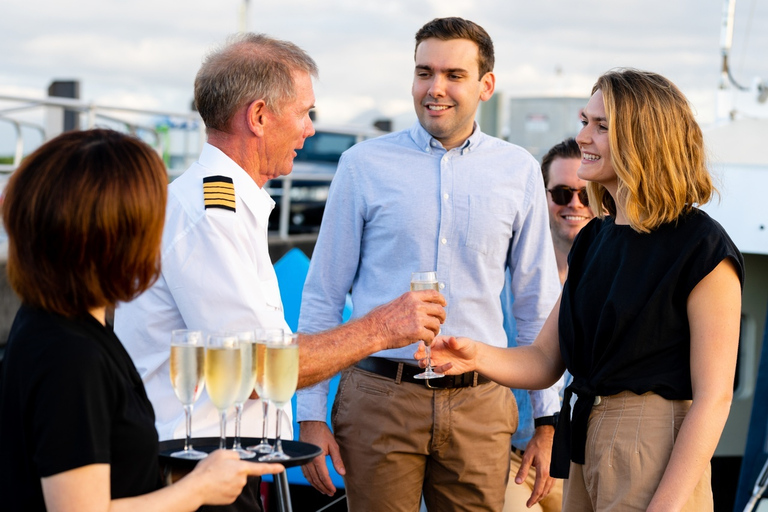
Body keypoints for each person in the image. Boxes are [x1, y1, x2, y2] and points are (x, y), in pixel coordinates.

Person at [114, 33, 445, 512]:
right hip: (193, 474)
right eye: (304, 112)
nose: (310, 128)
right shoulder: (210, 216)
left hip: (212, 466)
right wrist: (382, 328)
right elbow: (252, 368)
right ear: (259, 116)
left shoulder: (217, 205)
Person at [420, 68, 744, 512]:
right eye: (584, 121)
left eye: (601, 126)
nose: (583, 137)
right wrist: (473, 355)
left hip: (652, 449)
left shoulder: (702, 248)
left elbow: (714, 398)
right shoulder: (594, 240)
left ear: (644, 138)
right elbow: (543, 361)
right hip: (584, 442)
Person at [297, 17, 561, 511]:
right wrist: (309, 414)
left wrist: (548, 423)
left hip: (480, 405)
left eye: (453, 75)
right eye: (424, 72)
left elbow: (536, 303)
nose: (434, 89)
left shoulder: (519, 170)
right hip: (377, 398)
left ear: (486, 85)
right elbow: (323, 294)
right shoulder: (362, 165)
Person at [0, 129, 284, 512]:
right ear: (116, 237)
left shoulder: (54, 323)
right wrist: (198, 488)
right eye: (153, 219)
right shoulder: (70, 355)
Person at [503, 137, 593, 512]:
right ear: (541, 198)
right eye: (561, 193)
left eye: (586, 196)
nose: (574, 204)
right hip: (510, 456)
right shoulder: (499, 284)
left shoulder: (609, 284)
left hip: (583, 464)